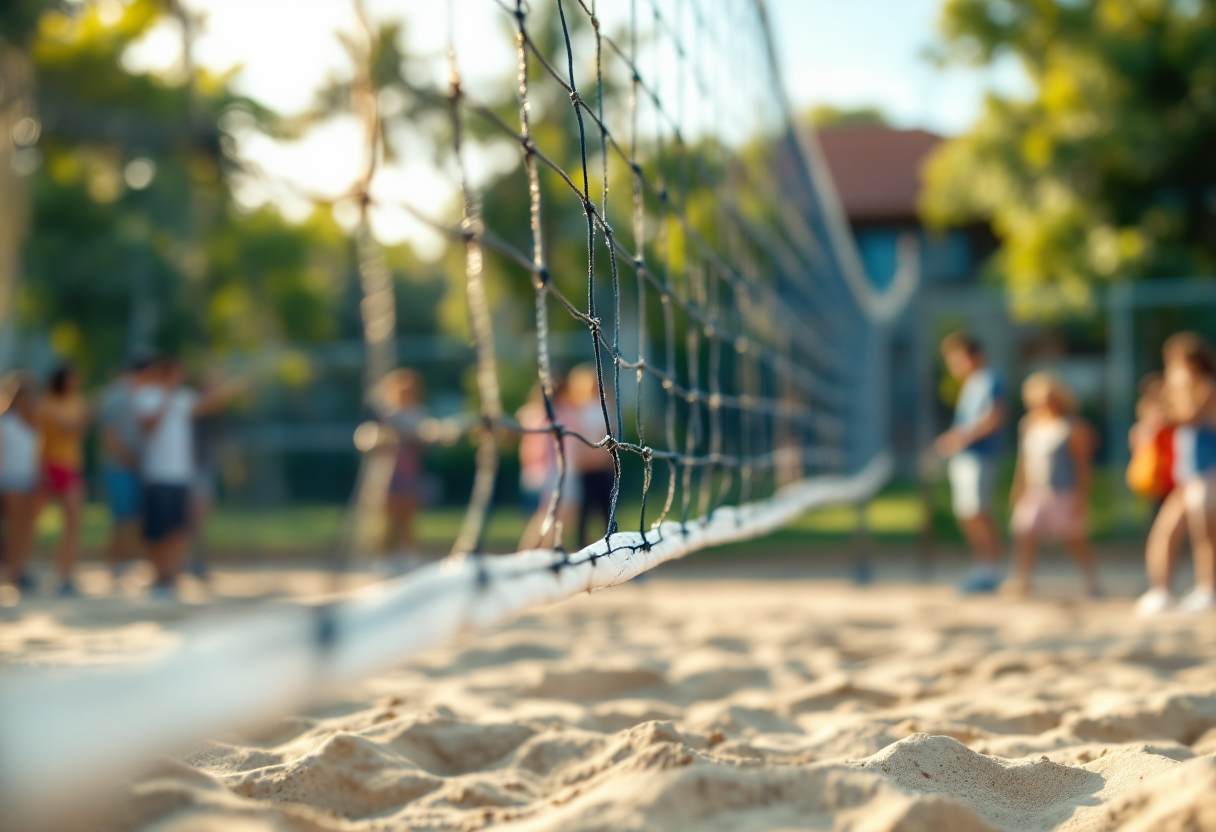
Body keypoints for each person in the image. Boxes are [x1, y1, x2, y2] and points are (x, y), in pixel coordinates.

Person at [134, 358, 245, 597]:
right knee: (158, 530)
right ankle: (158, 576)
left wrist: (231, 387)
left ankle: (172, 575)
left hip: (180, 474)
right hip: (157, 473)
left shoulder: (183, 397)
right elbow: (148, 427)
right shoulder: (148, 396)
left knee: (177, 528)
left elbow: (208, 404)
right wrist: (165, 398)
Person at [1136, 332, 1216, 616]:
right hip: (1186, 474)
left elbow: (1189, 416)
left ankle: (1208, 589)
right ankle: (1162, 590)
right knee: (1165, 532)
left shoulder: (1206, 387)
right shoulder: (1179, 390)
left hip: (1208, 472)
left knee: (1204, 534)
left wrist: (1164, 408)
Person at [1005, 373, 1099, 597]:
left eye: (1047, 397)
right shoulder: (1029, 425)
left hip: (1064, 490)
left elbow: (1082, 466)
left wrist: (1082, 498)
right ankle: (1023, 580)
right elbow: (1024, 461)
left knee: (1073, 538)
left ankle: (1091, 580)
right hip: (1036, 490)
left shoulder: (1072, 426)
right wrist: (1018, 488)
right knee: (1024, 532)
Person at [934, 332, 1007, 593]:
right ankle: (982, 567)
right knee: (969, 514)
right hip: (967, 458)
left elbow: (994, 416)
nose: (953, 366)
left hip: (980, 457)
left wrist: (960, 438)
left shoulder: (989, 379)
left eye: (957, 359)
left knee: (979, 512)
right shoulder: (971, 384)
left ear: (973, 356)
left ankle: (990, 571)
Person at [98, 357, 152, 582]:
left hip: (138, 466)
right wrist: (130, 459)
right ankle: (114, 565)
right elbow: (108, 435)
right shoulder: (115, 397)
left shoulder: (145, 397)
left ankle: (127, 562)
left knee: (136, 518)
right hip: (118, 467)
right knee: (121, 518)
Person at [38, 365, 89, 596]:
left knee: (73, 523)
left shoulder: (76, 401)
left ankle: (66, 574)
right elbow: (68, 428)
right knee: (29, 522)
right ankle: (19, 569)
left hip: (71, 466)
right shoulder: (48, 402)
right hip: (49, 465)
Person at [518, 377, 581, 551]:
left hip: (542, 471)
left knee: (550, 517)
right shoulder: (561, 414)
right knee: (554, 517)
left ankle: (542, 552)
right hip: (554, 472)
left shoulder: (533, 414)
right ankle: (540, 553)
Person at [0, 375, 41, 593]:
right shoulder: (5, 422)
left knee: (26, 529)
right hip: (9, 481)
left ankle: (20, 570)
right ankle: (13, 572)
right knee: (14, 529)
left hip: (29, 480)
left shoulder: (34, 421)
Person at [567, 364, 616, 548]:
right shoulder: (577, 410)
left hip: (603, 468)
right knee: (584, 513)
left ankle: (612, 547)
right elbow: (578, 439)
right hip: (585, 469)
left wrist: (598, 454)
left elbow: (609, 435)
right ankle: (581, 550)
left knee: (607, 511)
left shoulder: (605, 407)